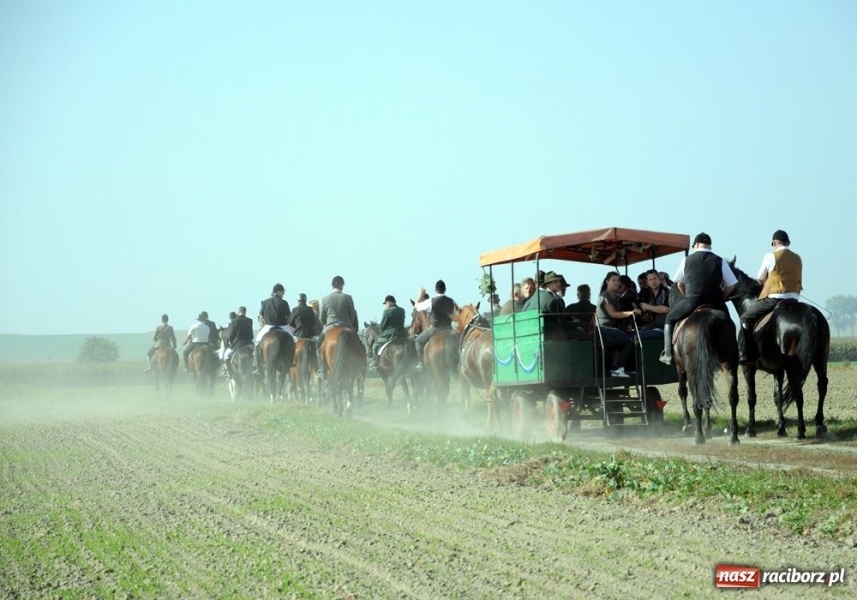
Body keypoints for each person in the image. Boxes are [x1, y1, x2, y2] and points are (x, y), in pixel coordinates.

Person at [660, 232, 738, 365]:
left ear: (696, 245)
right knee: (729, 323)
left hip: (692, 300)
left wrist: (687, 297)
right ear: (709, 245)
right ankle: (734, 351)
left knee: (669, 318)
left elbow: (679, 283)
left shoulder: (686, 260)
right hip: (715, 301)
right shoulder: (720, 260)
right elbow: (732, 285)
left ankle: (668, 354)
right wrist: (721, 297)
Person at [739, 229, 802, 365]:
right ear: (788, 242)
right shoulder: (797, 257)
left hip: (775, 298)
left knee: (745, 318)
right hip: (794, 299)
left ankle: (748, 354)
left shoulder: (770, 256)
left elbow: (760, 277)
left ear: (774, 243)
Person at [595, 272, 642, 377]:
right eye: (613, 280)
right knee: (630, 341)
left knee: (634, 337)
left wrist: (628, 325)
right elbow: (613, 314)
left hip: (613, 328)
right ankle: (616, 369)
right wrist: (632, 312)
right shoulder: (605, 296)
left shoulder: (615, 296)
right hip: (604, 329)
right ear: (607, 282)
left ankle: (628, 368)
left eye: (618, 280)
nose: (616, 283)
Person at [316, 275, 359, 378]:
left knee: (317, 345)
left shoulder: (325, 299)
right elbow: (352, 314)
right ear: (342, 286)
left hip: (329, 327)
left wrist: (325, 325)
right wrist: (349, 324)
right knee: (359, 345)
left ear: (332, 286)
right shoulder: (348, 297)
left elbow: (322, 317)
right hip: (347, 326)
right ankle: (358, 369)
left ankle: (322, 370)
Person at [414, 279, 456, 370]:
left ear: (436, 290)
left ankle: (421, 364)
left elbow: (416, 307)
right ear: (445, 289)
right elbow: (456, 314)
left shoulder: (430, 301)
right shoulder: (452, 300)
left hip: (435, 328)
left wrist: (419, 295)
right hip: (449, 329)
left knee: (418, 341)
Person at [254, 283, 292, 373]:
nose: (283, 294)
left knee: (257, 341)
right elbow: (289, 316)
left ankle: (257, 364)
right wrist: (287, 322)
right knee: (292, 340)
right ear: (278, 291)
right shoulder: (284, 302)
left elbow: (261, 315)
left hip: (268, 326)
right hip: (283, 326)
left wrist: (264, 322)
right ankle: (291, 361)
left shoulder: (266, 302)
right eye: (283, 292)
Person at [522, 271, 570, 341]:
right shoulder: (552, 300)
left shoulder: (527, 303)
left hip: (531, 338)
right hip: (552, 337)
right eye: (555, 282)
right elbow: (561, 323)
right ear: (548, 284)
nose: (559, 284)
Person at [370, 294, 408, 369]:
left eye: (386, 304)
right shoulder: (402, 310)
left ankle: (375, 363)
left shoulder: (387, 311)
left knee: (375, 346)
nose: (385, 306)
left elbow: (382, 326)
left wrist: (382, 331)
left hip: (390, 334)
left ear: (389, 303)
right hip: (402, 333)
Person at [222, 306, 254, 375]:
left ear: (238, 312)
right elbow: (251, 334)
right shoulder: (250, 320)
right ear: (245, 312)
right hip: (249, 342)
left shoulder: (234, 320)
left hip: (238, 343)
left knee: (226, 355)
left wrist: (231, 341)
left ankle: (229, 373)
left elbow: (231, 334)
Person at [637, 268, 670, 333]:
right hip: (654, 325)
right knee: (637, 334)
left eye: (655, 278)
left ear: (659, 280)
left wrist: (647, 307)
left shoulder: (665, 292)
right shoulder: (648, 293)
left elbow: (666, 309)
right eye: (650, 280)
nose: (653, 281)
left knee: (642, 335)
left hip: (666, 326)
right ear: (647, 282)